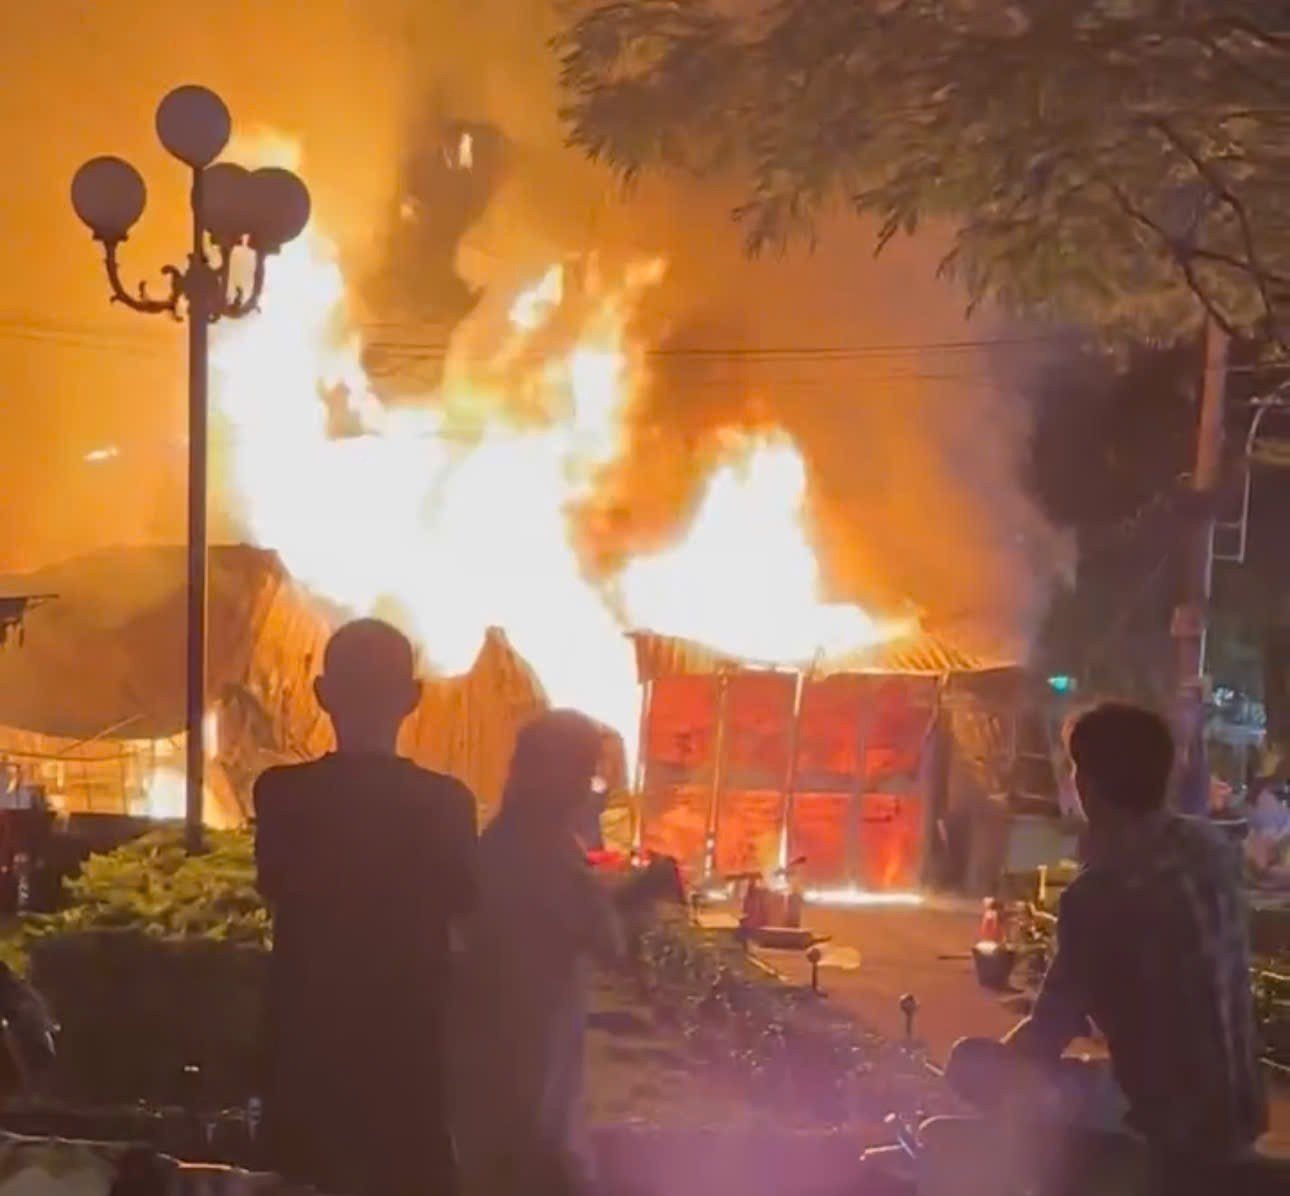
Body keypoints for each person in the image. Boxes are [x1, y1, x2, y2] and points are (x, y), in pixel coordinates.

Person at [924, 701, 1269, 1196]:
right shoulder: (1210, 849)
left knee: (973, 1067)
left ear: (1086, 784)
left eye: (1073, 768)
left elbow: (1046, 1038)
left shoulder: (1101, 892)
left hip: (1164, 1133)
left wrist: (986, 1064)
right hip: (1237, 1111)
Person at [254, 619, 477, 1196]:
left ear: (323, 695)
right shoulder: (448, 805)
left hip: (306, 1051)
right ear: (412, 698)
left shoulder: (280, 794)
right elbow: (462, 905)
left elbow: (275, 886)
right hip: (407, 1056)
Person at [451, 709, 623, 1196]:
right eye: (585, 772)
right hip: (529, 1081)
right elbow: (607, 939)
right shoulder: (547, 856)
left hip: (490, 1077)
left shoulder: (494, 846)